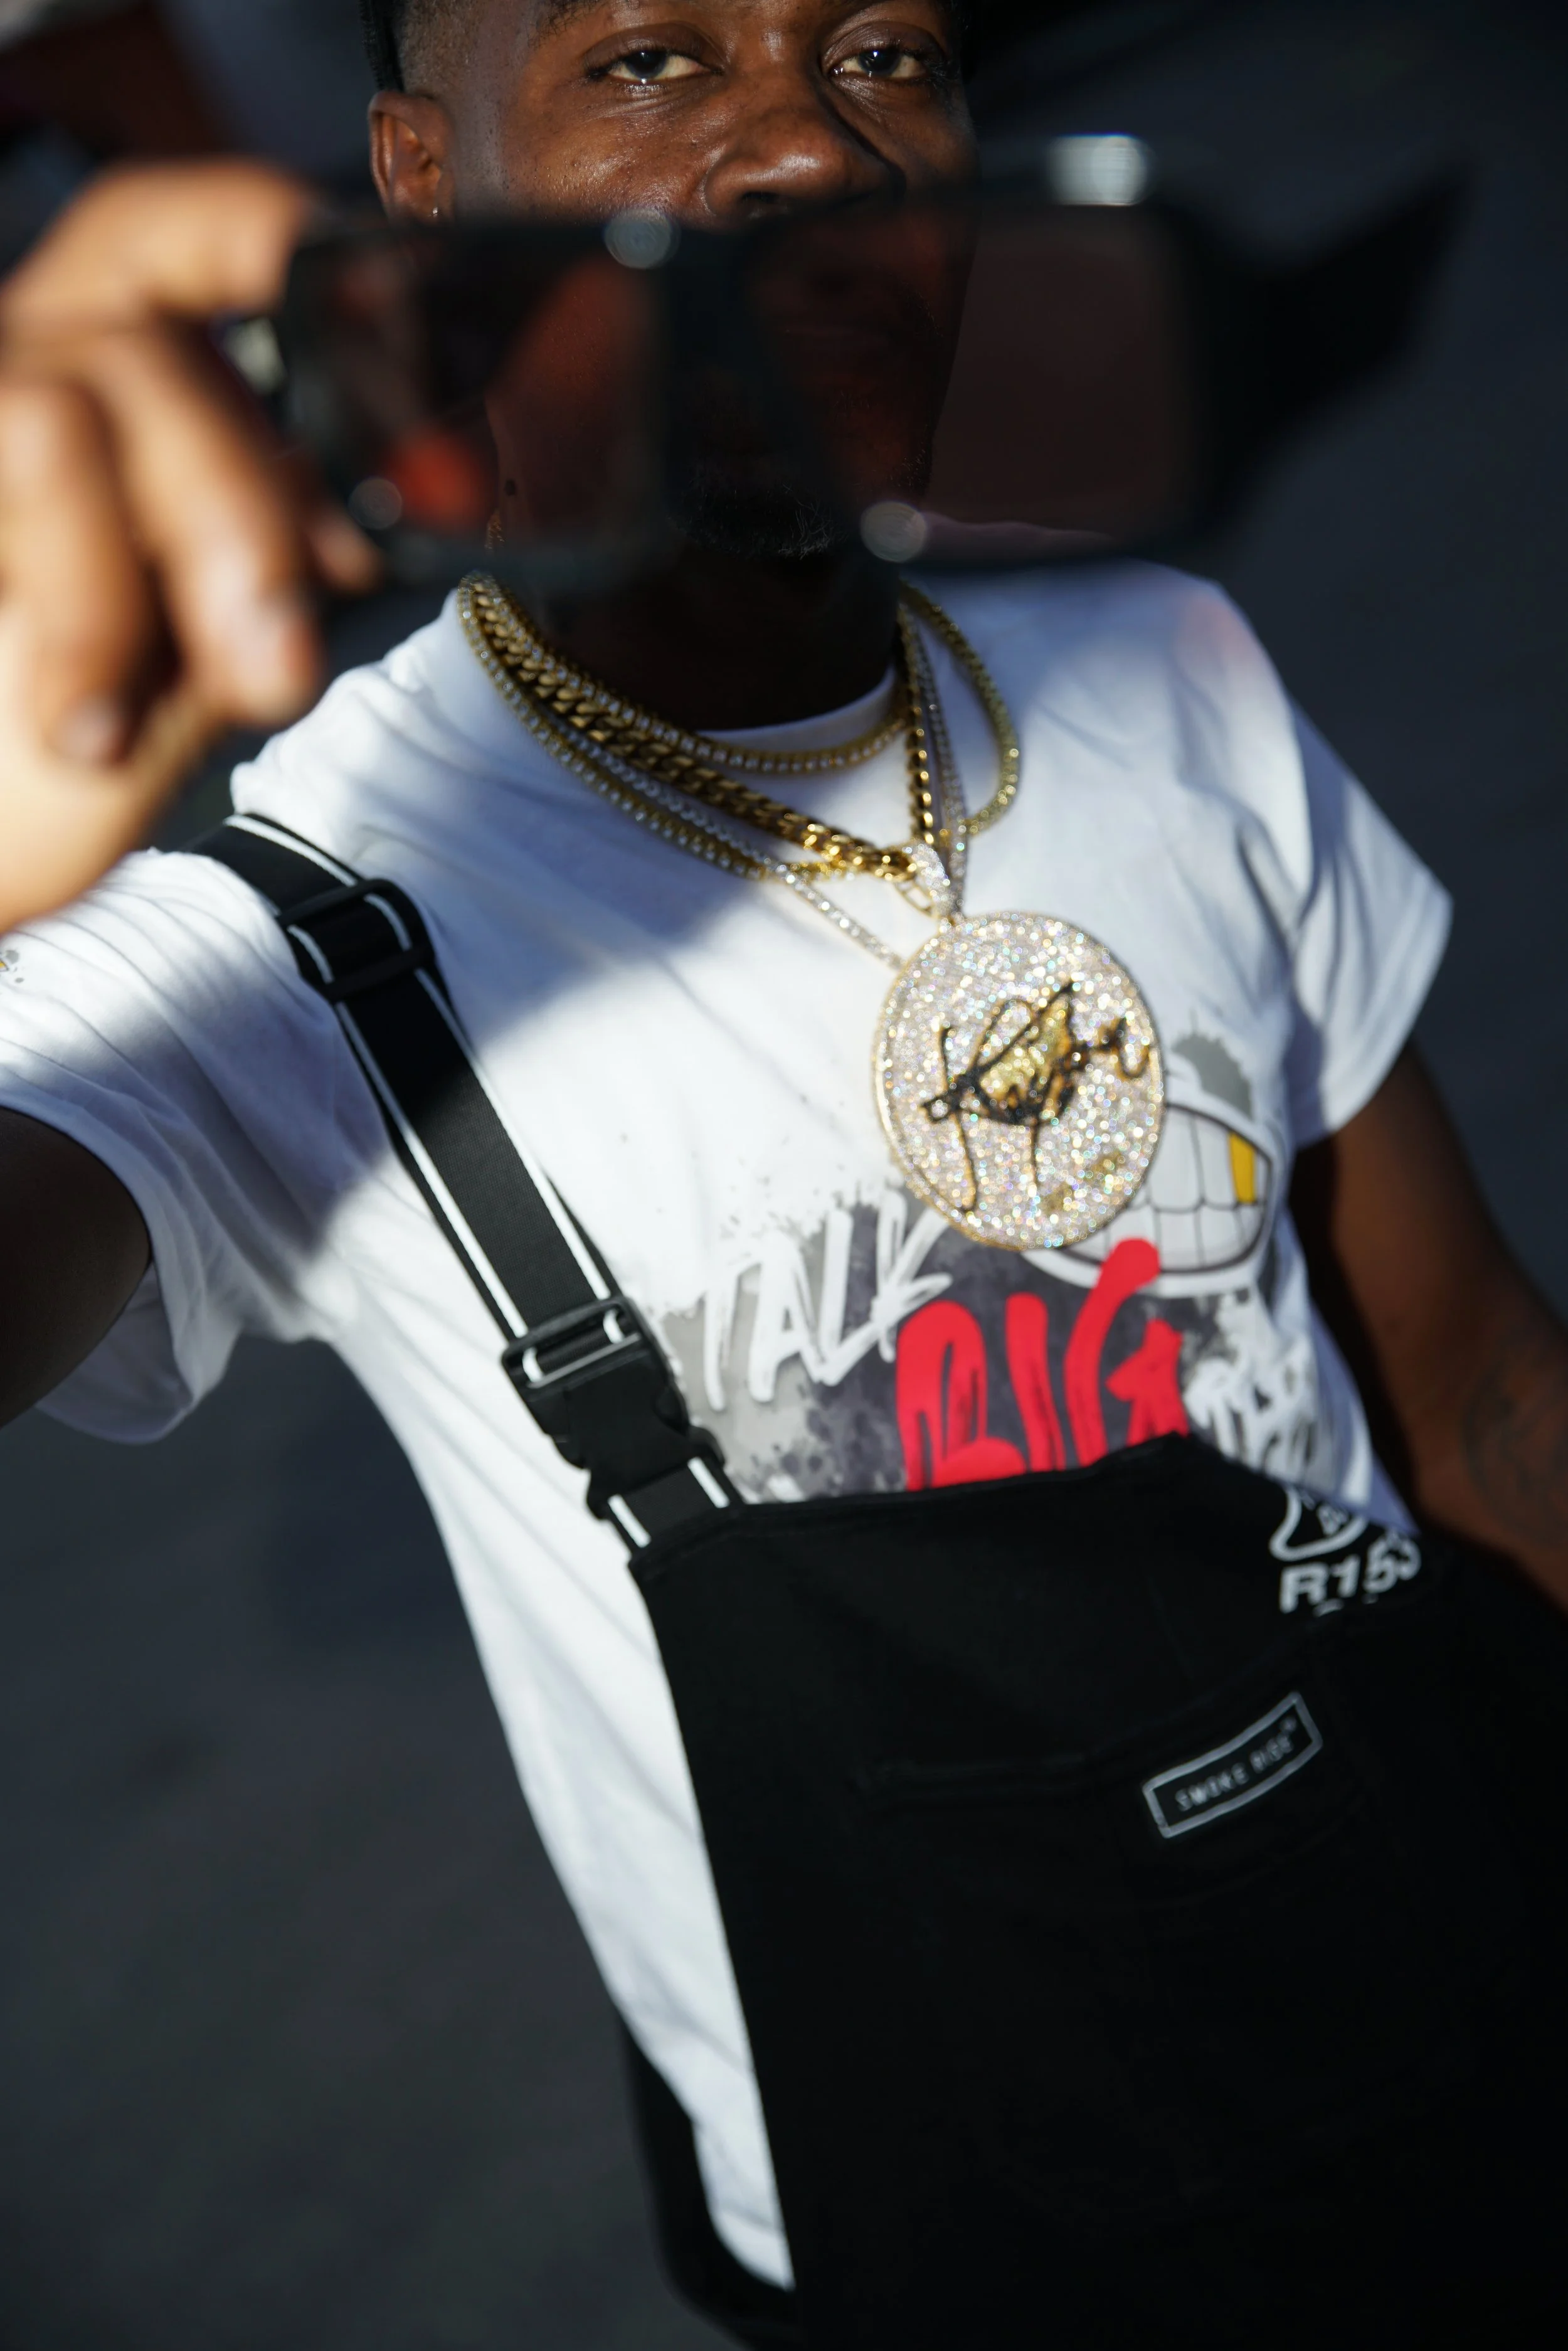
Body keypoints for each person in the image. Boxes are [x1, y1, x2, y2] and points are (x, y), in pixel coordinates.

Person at [2, 3, 1567, 2343]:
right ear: (423, 183)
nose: (807, 153)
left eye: (882, 50)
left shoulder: (1158, 662)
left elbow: (1475, 1398)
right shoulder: (285, 939)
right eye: (649, 61)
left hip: (1454, 1979)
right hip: (949, 2211)